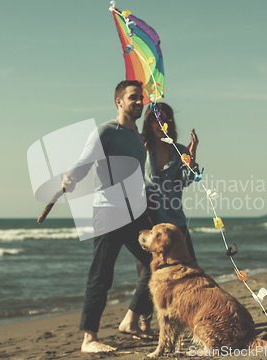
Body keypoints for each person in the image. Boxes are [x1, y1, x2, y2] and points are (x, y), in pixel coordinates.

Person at [62, 80, 153, 353]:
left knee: (157, 264)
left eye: (141, 98)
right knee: (101, 275)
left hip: (136, 214)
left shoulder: (140, 139)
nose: (139, 102)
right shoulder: (106, 131)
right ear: (119, 102)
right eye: (133, 97)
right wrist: (72, 177)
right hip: (109, 211)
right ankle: (89, 339)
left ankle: (130, 319)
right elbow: (83, 162)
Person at [136, 102, 200, 332]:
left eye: (164, 119)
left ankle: (187, 314)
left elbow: (186, 180)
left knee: (188, 268)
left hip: (175, 220)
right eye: (155, 119)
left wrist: (191, 157)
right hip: (150, 219)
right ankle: (144, 321)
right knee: (149, 272)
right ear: (148, 122)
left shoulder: (179, 149)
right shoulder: (141, 147)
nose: (159, 123)